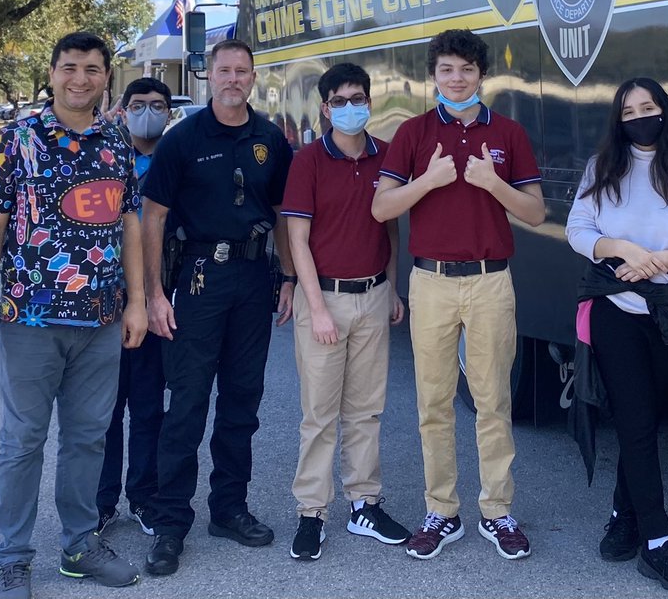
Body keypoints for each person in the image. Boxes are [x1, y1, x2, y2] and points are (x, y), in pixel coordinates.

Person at [0, 32, 147, 597]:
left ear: (106, 77)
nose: (80, 78)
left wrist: (136, 300)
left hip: (101, 323)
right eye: (70, 67)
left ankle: (79, 546)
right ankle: (13, 557)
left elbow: (130, 225)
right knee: (23, 441)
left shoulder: (116, 141)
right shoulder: (17, 139)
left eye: (92, 69)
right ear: (52, 72)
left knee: (89, 438)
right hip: (30, 320)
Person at [373, 29, 544, 562]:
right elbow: (382, 208)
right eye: (447, 69)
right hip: (431, 282)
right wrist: (428, 180)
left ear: (481, 75)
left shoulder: (509, 133)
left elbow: (536, 212)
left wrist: (494, 183)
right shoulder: (415, 133)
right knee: (434, 402)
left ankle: (497, 511)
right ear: (434, 76)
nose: (457, 78)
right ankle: (441, 512)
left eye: (466, 69)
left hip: (491, 280)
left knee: (494, 400)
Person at [566, 77, 668, 598]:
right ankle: (657, 543)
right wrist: (621, 249)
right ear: (619, 120)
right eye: (629, 110)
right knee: (635, 421)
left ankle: (622, 512)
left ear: (664, 112)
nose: (639, 116)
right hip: (617, 310)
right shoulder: (602, 170)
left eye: (648, 107)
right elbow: (577, 230)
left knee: (649, 417)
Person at [139, 38, 295, 577]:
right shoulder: (181, 140)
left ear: (254, 78)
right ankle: (169, 524)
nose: (233, 79)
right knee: (185, 405)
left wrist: (291, 278)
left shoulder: (271, 140)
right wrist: (155, 293)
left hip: (254, 279)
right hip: (199, 282)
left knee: (241, 404)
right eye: (224, 70)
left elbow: (281, 215)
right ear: (208, 76)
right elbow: (153, 218)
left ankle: (229, 509)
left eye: (242, 71)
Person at [281, 62, 410, 562]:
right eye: (340, 100)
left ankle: (364, 504)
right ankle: (312, 511)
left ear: (370, 102)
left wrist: (393, 290)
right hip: (325, 300)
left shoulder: (387, 157)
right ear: (325, 107)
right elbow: (297, 238)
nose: (350, 107)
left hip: (375, 295)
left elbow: (391, 228)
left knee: (366, 410)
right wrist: (317, 309)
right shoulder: (309, 160)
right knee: (319, 415)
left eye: (359, 98)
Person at [96, 76, 174, 536]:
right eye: (139, 104)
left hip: (155, 299)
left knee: (148, 407)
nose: (150, 111)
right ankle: (101, 502)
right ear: (122, 110)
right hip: (105, 300)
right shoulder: (104, 154)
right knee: (103, 409)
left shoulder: (176, 156)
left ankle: (144, 496)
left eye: (159, 104)